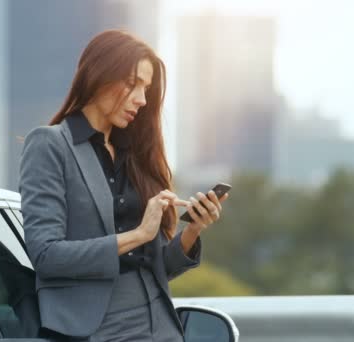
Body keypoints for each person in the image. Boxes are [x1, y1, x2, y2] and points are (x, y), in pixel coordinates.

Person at [19, 29, 229, 341]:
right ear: (98, 75)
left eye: (146, 89)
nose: (142, 100)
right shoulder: (51, 145)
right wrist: (139, 234)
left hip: (161, 324)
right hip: (98, 329)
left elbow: (156, 267)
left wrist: (193, 230)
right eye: (133, 85)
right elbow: (46, 256)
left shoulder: (135, 155)